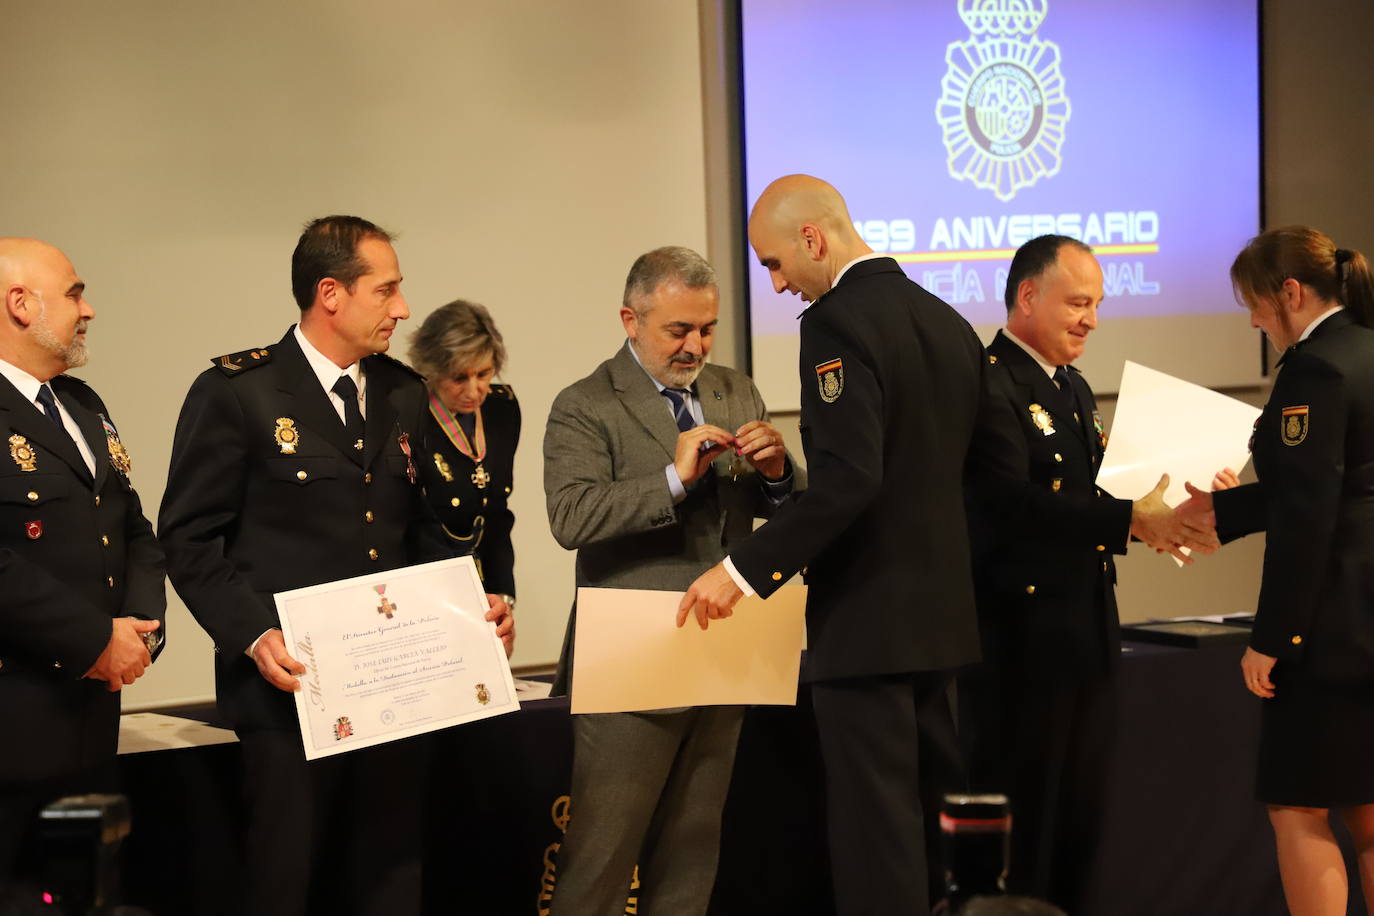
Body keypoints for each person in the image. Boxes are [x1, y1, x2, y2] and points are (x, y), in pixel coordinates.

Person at [157, 216, 512, 916]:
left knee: (389, 882)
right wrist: (255, 635)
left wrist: (473, 608)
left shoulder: (404, 392)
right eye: (387, 291)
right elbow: (189, 538)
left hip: (393, 692)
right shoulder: (239, 393)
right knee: (285, 884)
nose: (403, 309)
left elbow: (423, 531)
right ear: (331, 294)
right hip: (289, 694)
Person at [679, 174, 986, 915]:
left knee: (878, 842)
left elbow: (851, 482)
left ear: (813, 239)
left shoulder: (836, 325)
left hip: (870, 627)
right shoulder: (949, 321)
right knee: (941, 834)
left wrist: (744, 571)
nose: (778, 285)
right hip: (943, 624)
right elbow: (982, 478)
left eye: (775, 264)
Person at [959, 234, 1213, 910]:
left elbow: (1103, 490)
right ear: (1026, 297)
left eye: (1096, 304)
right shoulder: (987, 382)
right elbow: (1009, 503)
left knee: (1081, 812)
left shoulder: (1069, 386)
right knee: (1030, 816)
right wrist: (1132, 521)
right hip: (1021, 638)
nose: (1090, 319)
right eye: (1078, 302)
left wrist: (1180, 503)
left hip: (1086, 626)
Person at [543, 246, 799, 916]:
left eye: (707, 329)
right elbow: (570, 517)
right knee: (601, 860)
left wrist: (778, 476)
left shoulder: (735, 389)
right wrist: (671, 481)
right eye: (677, 330)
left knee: (692, 854)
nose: (696, 346)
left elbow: (780, 513)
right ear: (630, 320)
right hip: (632, 660)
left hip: (726, 650)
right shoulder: (585, 403)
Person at [1178, 226, 1374, 916]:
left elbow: (1311, 517)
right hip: (1367, 617)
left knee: (1299, 808)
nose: (1254, 321)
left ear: (1290, 293)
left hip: (1333, 627)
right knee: (1370, 811)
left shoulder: (1316, 368)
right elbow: (1342, 486)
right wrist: (1223, 510)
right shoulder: (1367, 349)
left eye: (1255, 306)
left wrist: (1274, 637)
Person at [0, 238, 166, 885]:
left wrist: (141, 622)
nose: (88, 308)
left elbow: (133, 531)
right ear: (19, 304)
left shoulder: (81, 405)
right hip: (14, 728)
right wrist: (97, 638)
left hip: (90, 725)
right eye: (73, 292)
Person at [408, 300, 519, 610]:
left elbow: (497, 511)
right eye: (459, 378)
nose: (474, 391)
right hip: (425, 589)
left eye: (484, 374)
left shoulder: (503, 408)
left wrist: (504, 598)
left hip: (483, 585)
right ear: (431, 370)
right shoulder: (409, 415)